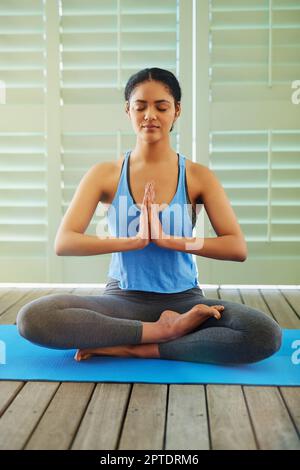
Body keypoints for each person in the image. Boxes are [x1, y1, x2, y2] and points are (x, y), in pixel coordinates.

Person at [16, 68, 282, 365]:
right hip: (121, 301)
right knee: (33, 318)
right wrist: (134, 241)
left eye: (161, 106)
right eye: (140, 106)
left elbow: (236, 247)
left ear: (177, 111)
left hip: (185, 302)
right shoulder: (105, 174)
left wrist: (173, 241)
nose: (150, 115)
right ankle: (161, 332)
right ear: (127, 110)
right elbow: (64, 242)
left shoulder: (198, 177)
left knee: (263, 334)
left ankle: (139, 345)